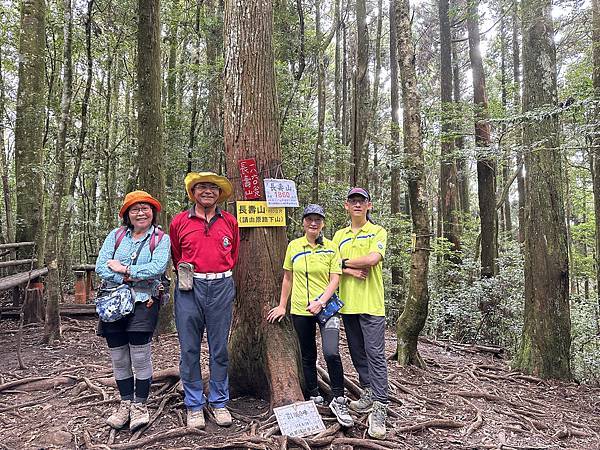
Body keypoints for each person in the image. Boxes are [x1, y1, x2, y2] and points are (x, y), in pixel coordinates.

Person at [267, 204, 354, 428]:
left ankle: (339, 398)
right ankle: (314, 393)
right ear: (303, 222)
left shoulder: (331, 247)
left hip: (327, 308)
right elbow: (288, 277)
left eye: (317, 219)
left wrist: (321, 302)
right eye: (309, 219)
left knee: (332, 352)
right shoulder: (294, 246)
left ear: (323, 223)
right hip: (300, 309)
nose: (313, 223)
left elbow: (335, 278)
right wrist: (282, 306)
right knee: (307, 354)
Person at [95, 190, 171, 431]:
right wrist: (131, 276)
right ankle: (125, 402)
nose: (141, 212)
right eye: (135, 209)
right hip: (113, 303)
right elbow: (101, 267)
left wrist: (123, 269)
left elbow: (157, 268)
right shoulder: (116, 236)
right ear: (127, 214)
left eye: (145, 208)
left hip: (144, 302)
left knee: (140, 355)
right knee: (118, 357)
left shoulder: (160, 239)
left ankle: (140, 405)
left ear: (153, 213)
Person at [169, 172, 239, 430]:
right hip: (190, 288)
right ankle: (194, 405)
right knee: (189, 349)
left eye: (213, 188)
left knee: (219, 348)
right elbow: (177, 254)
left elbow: (233, 253)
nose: (208, 191)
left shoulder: (230, 222)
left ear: (219, 194)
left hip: (221, 286)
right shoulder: (179, 222)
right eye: (202, 187)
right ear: (193, 192)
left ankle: (219, 402)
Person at [332, 187, 389, 439]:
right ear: (346, 205)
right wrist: (349, 268)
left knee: (375, 353)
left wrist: (344, 263)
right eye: (353, 201)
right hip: (348, 304)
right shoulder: (339, 236)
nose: (357, 205)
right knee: (357, 352)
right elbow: (329, 264)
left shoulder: (377, 231)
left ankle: (380, 405)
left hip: (372, 304)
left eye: (361, 201)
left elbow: (373, 259)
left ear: (369, 206)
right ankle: (367, 391)